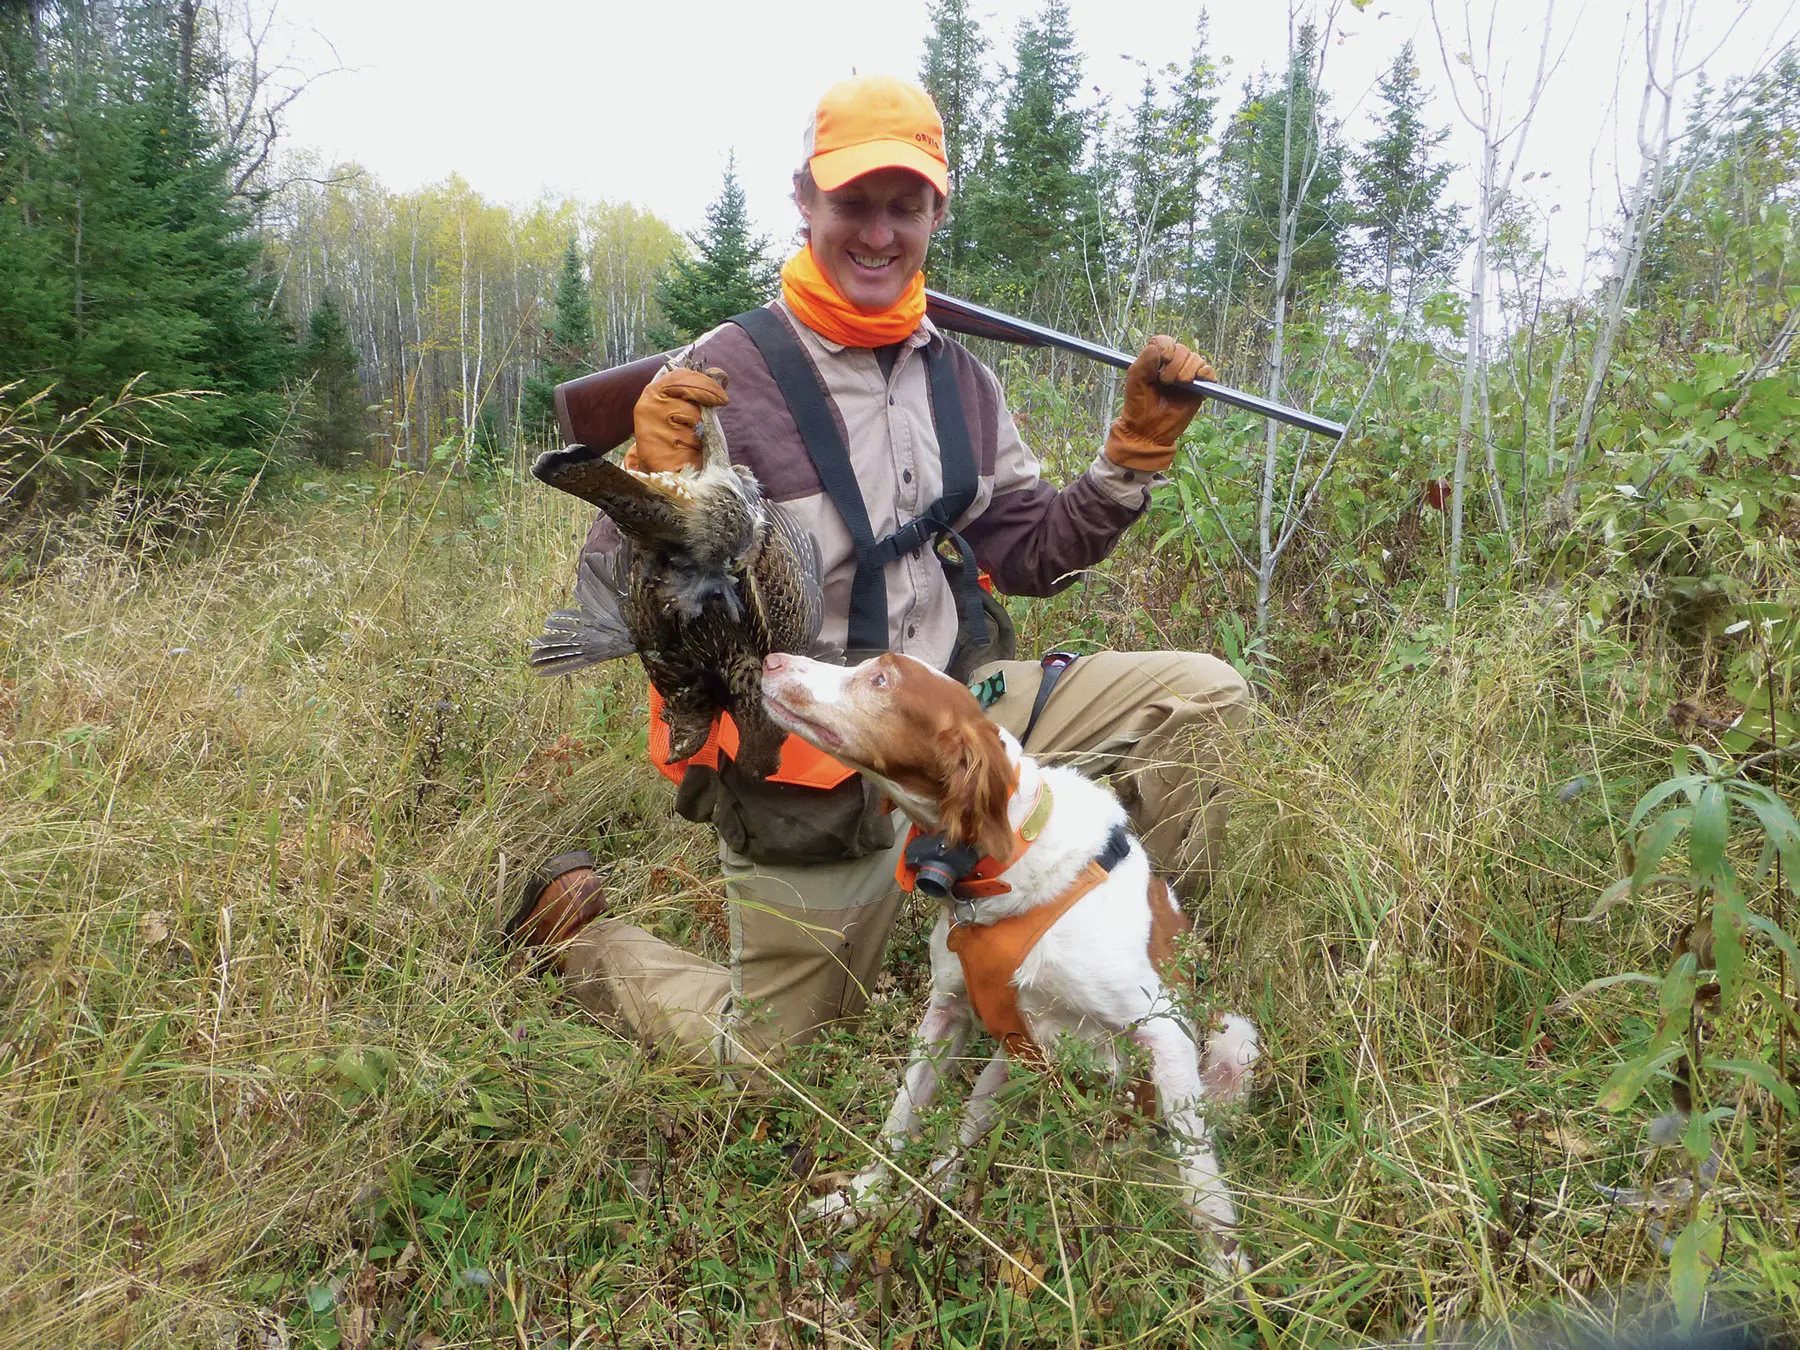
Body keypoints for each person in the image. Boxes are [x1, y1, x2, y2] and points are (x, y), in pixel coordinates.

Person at [508, 74, 1250, 1068]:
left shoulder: (967, 384)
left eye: (905, 207)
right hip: (809, 752)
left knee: (1200, 699)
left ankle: (1129, 980)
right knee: (776, 1058)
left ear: (937, 213)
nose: (877, 232)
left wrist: (1130, 461)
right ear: (805, 200)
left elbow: (1029, 550)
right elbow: (619, 600)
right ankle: (573, 944)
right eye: (852, 202)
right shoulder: (718, 379)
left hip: (952, 702)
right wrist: (648, 486)